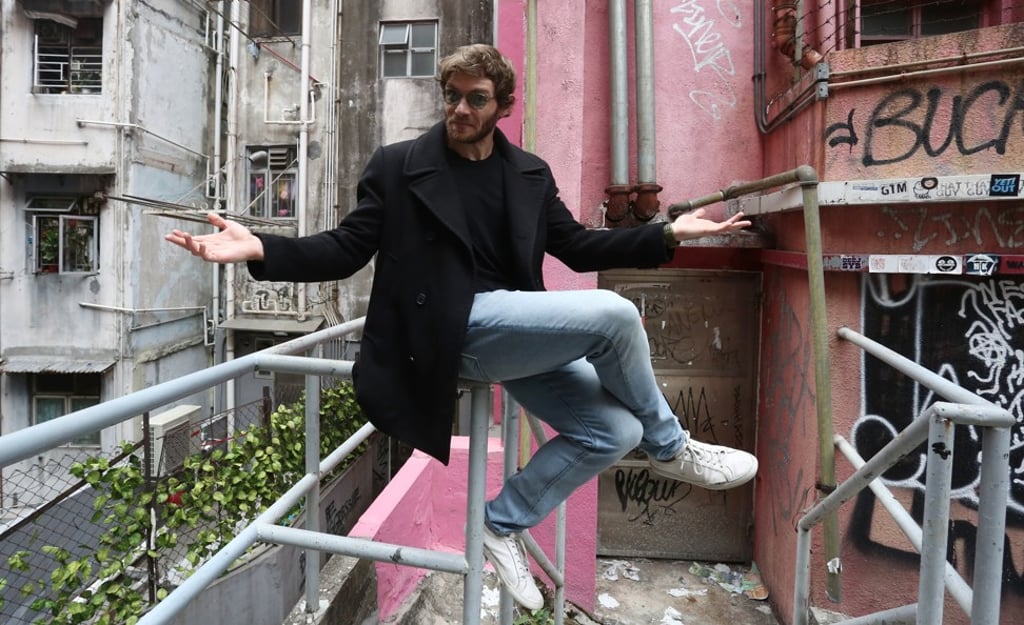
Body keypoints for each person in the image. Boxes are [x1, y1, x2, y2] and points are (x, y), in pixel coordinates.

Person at [166, 43, 757, 611]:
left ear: (503, 107)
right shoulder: (400, 167)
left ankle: (501, 524)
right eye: (450, 96)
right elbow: (346, 249)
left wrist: (668, 234)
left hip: (512, 329)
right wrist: (260, 249)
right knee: (615, 315)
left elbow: (576, 247)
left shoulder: (528, 173)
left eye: (475, 99)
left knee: (613, 431)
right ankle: (673, 448)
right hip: (449, 335)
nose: (459, 110)